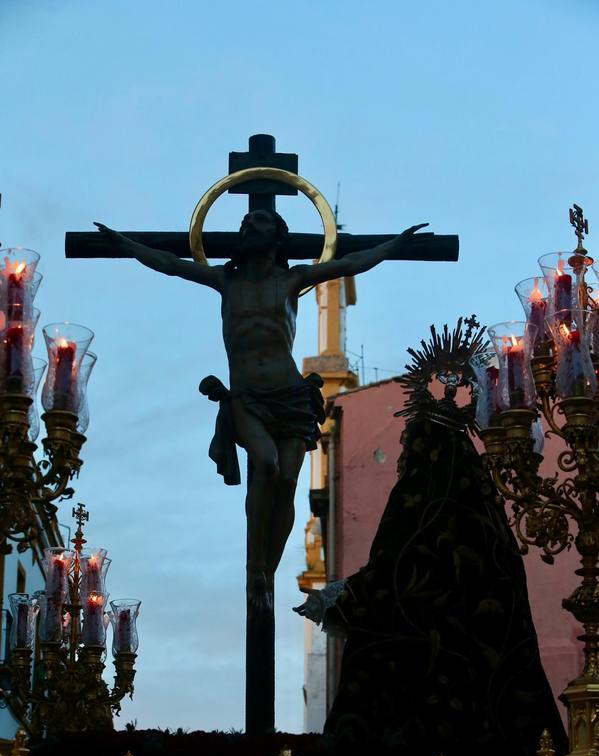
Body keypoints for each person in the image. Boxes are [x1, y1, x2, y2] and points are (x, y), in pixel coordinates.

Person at [94, 213, 432, 605]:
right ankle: (254, 569)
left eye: (258, 223)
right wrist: (123, 242)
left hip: (289, 393)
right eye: (245, 224)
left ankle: (266, 574)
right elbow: (170, 265)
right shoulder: (226, 280)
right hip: (247, 396)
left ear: (277, 238)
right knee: (266, 462)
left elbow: (351, 263)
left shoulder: (291, 280)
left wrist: (395, 245)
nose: (248, 227)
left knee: (287, 479)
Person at [295, 328, 567, 756]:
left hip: (419, 712)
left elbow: (399, 573)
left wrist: (344, 597)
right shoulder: (481, 515)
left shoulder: (426, 501)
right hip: (484, 711)